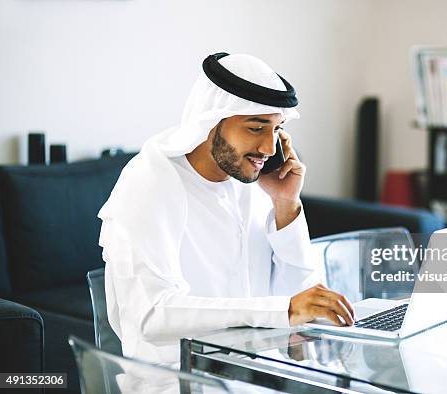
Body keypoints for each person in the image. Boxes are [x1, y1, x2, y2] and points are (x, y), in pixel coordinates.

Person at [98, 52, 354, 365]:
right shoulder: (151, 181)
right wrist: (282, 310)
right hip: (176, 381)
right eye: (256, 128)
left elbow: (303, 306)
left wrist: (286, 205)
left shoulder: (254, 184)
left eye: (276, 129)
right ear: (211, 122)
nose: (269, 149)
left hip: (260, 375)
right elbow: (150, 315)